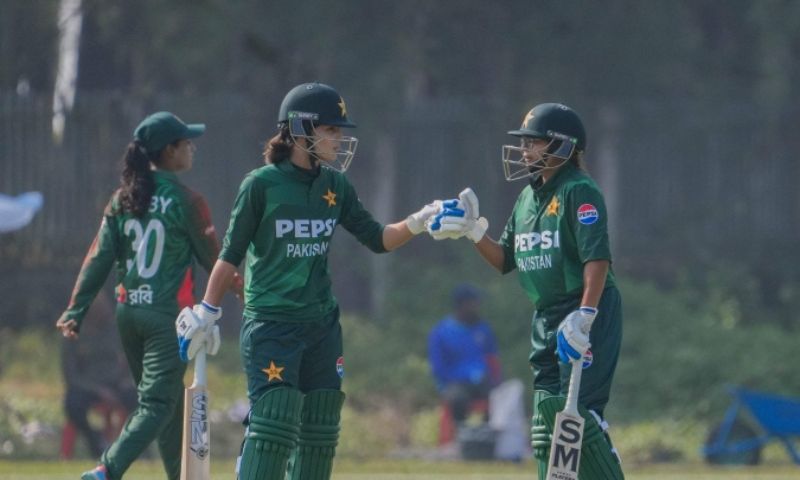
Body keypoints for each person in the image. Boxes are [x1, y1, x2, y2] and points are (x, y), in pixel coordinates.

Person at [175, 82, 454, 480]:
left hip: (321, 324)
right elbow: (230, 255)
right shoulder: (261, 185)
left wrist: (421, 220)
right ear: (302, 129)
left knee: (320, 429)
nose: (339, 140)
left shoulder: (334, 186)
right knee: (274, 422)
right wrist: (207, 310)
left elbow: (377, 239)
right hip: (272, 322)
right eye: (332, 131)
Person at [431, 103, 625, 478]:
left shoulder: (579, 191)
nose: (523, 151)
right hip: (546, 316)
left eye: (532, 143)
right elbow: (504, 259)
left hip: (584, 310)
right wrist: (473, 230)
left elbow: (597, 260)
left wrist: (585, 316)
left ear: (561, 146)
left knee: (579, 418)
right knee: (546, 424)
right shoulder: (526, 198)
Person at [56, 111, 241, 480]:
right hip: (167, 318)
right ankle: (106, 470)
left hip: (130, 315)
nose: (191, 147)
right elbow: (214, 259)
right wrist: (244, 289)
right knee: (157, 403)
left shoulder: (122, 199)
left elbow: (98, 257)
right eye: (185, 141)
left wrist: (76, 309)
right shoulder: (188, 200)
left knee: (167, 406)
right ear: (168, 152)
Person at [61, 294, 137, 459]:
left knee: (139, 400)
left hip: (116, 384)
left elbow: (130, 360)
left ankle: (133, 447)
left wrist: (125, 381)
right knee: (72, 405)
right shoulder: (73, 334)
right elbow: (71, 375)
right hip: (87, 387)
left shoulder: (114, 330)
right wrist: (98, 390)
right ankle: (96, 443)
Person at [428, 284, 501, 428]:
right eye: (473, 303)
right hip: (455, 382)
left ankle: (488, 437)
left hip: (482, 381)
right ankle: (460, 437)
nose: (476, 307)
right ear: (462, 305)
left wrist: (497, 380)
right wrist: (445, 386)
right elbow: (438, 367)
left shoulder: (483, 329)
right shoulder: (442, 332)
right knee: (457, 399)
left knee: (499, 397)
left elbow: (492, 358)